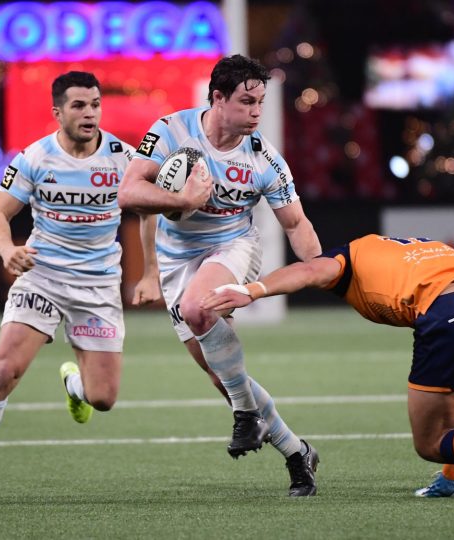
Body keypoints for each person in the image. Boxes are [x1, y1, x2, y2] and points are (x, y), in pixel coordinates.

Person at [203, 234, 454, 498]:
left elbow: (308, 271)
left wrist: (252, 289)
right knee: (453, 386)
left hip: (451, 316)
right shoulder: (387, 245)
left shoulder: (345, 261)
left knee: (429, 442)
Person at [0, 71, 154, 496]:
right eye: (78, 105)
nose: (89, 113)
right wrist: (5, 251)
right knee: (4, 372)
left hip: (98, 287)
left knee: (103, 399)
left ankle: (74, 385)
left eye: (94, 104)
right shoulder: (34, 158)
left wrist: (150, 273)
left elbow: (149, 210)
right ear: (58, 113)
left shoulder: (124, 158)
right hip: (43, 277)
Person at [118, 54, 323, 496]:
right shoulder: (172, 131)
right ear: (217, 97)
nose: (255, 111)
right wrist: (180, 201)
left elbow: (296, 224)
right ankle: (296, 453)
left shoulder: (263, 158)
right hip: (177, 259)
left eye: (260, 102)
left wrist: (322, 269)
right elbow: (128, 192)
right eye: (246, 101)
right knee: (221, 375)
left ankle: (247, 417)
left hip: (233, 248)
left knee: (197, 307)